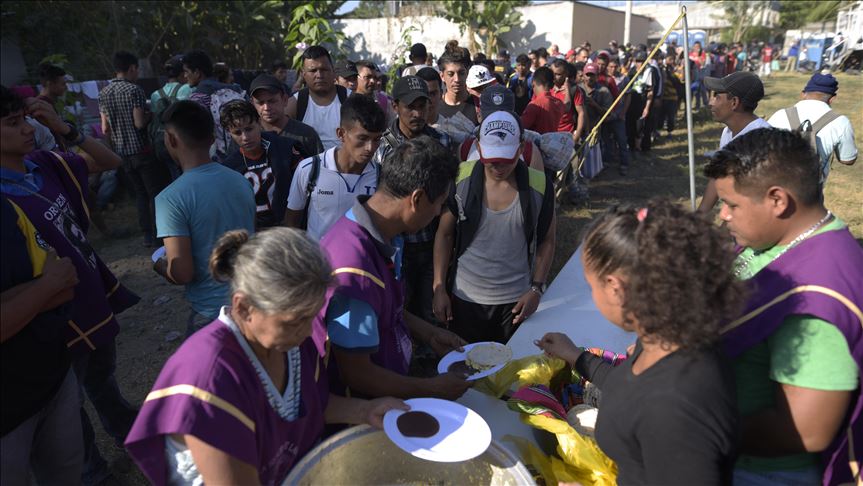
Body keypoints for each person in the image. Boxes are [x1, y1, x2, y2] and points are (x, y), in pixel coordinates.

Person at [126, 228, 407, 484]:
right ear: (244, 307)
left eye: (312, 316)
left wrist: (365, 411)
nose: (309, 330)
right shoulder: (211, 378)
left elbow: (310, 403)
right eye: (295, 320)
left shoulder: (289, 342)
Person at [537, 199, 743, 485]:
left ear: (615, 288)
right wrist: (576, 356)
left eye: (591, 285)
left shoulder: (674, 404)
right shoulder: (667, 336)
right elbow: (630, 384)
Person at [704, 128, 861, 486]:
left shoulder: (817, 298)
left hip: (765, 472)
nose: (723, 215)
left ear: (778, 200)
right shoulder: (775, 237)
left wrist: (696, 425)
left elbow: (806, 429)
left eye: (732, 205)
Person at [1, 87, 140, 486]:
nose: (27, 129)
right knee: (67, 402)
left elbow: (109, 161)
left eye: (26, 119)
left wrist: (64, 128)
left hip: (89, 297)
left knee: (101, 378)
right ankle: (92, 471)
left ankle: (127, 432)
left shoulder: (43, 165)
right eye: (13, 123)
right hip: (52, 319)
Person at [316, 135, 468, 400]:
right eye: (438, 204)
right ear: (417, 199)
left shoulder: (384, 231)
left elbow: (382, 308)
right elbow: (358, 374)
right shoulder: (355, 274)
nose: (437, 214)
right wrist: (431, 389)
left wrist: (429, 333)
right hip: (362, 412)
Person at [433, 110, 556, 344]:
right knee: (466, 370)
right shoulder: (459, 180)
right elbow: (445, 233)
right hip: (465, 299)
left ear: (521, 149)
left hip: (514, 303)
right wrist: (439, 287)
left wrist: (536, 289)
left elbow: (547, 240)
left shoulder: (539, 186)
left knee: (508, 371)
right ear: (478, 148)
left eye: (506, 160)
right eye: (492, 161)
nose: (498, 167)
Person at [152, 100, 256, 331]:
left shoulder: (170, 199)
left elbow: (182, 272)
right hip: (253, 303)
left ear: (170, 140)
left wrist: (160, 266)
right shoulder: (240, 180)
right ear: (212, 138)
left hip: (211, 314)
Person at [1, 194, 82, 485]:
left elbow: (66, 282)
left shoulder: (5, 206)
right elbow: (54, 283)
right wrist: (45, 287)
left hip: (53, 379)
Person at [371, 76, 451, 325]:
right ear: (395, 107)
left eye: (422, 106)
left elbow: (447, 200)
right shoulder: (381, 147)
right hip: (397, 246)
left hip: (432, 242)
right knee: (397, 307)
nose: (417, 113)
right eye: (410, 107)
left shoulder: (442, 142)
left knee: (430, 310)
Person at [285, 94, 385, 241]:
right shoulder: (310, 169)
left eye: (376, 139)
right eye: (362, 138)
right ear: (341, 134)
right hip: (318, 262)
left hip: (361, 263)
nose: (370, 148)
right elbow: (291, 223)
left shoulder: (381, 175)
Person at [99, 51, 170, 247]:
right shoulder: (134, 91)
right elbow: (139, 123)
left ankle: (147, 235)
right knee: (155, 193)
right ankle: (160, 235)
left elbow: (105, 128)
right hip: (142, 152)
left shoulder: (103, 93)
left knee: (139, 194)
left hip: (122, 154)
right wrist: (150, 115)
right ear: (131, 68)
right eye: (137, 69)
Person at [766, 73, 857, 188]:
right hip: (810, 192)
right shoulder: (840, 122)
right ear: (832, 99)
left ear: (803, 94)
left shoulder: (780, 114)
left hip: (775, 185)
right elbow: (848, 160)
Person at [697, 71, 770, 213]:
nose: (710, 102)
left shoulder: (759, 141)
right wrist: (699, 216)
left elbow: (750, 203)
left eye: (717, 97)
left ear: (734, 103)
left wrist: (723, 232)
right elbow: (719, 174)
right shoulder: (728, 132)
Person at [220, 100, 298, 228]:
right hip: (254, 235)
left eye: (249, 129)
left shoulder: (287, 149)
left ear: (259, 123)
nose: (245, 137)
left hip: (288, 229)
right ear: (229, 133)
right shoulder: (229, 168)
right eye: (237, 133)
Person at [248, 73, 324, 165]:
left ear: (284, 100)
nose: (266, 107)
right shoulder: (246, 134)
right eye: (260, 103)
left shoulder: (306, 134)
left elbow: (320, 170)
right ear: (252, 104)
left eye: (272, 101)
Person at [183, 50, 245, 160]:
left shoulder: (198, 97)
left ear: (197, 72)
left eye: (187, 71)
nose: (185, 75)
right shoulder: (236, 89)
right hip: (245, 149)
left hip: (218, 157)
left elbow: (196, 132)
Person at [287, 46, 347, 151]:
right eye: (313, 70)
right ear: (303, 74)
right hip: (308, 166)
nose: (319, 75)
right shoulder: (294, 103)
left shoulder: (351, 99)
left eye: (324, 69)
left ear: (333, 71)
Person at [150, 55, 192, 180]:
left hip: (162, 142)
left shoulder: (155, 94)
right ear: (182, 73)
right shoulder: (186, 88)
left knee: (174, 175)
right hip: (182, 140)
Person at [435, 44, 476, 143]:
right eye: (451, 74)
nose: (457, 79)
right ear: (442, 76)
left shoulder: (478, 106)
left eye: (461, 73)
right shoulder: (434, 108)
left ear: (467, 73)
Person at [550, 59, 586, 143]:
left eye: (558, 74)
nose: (554, 77)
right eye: (553, 73)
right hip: (549, 135)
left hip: (567, 135)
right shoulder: (547, 87)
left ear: (565, 74)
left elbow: (581, 113)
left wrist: (577, 136)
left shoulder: (573, 89)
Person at [521, 66, 565, 135]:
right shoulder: (559, 103)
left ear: (533, 83)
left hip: (536, 144)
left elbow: (521, 128)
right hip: (553, 144)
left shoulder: (535, 105)